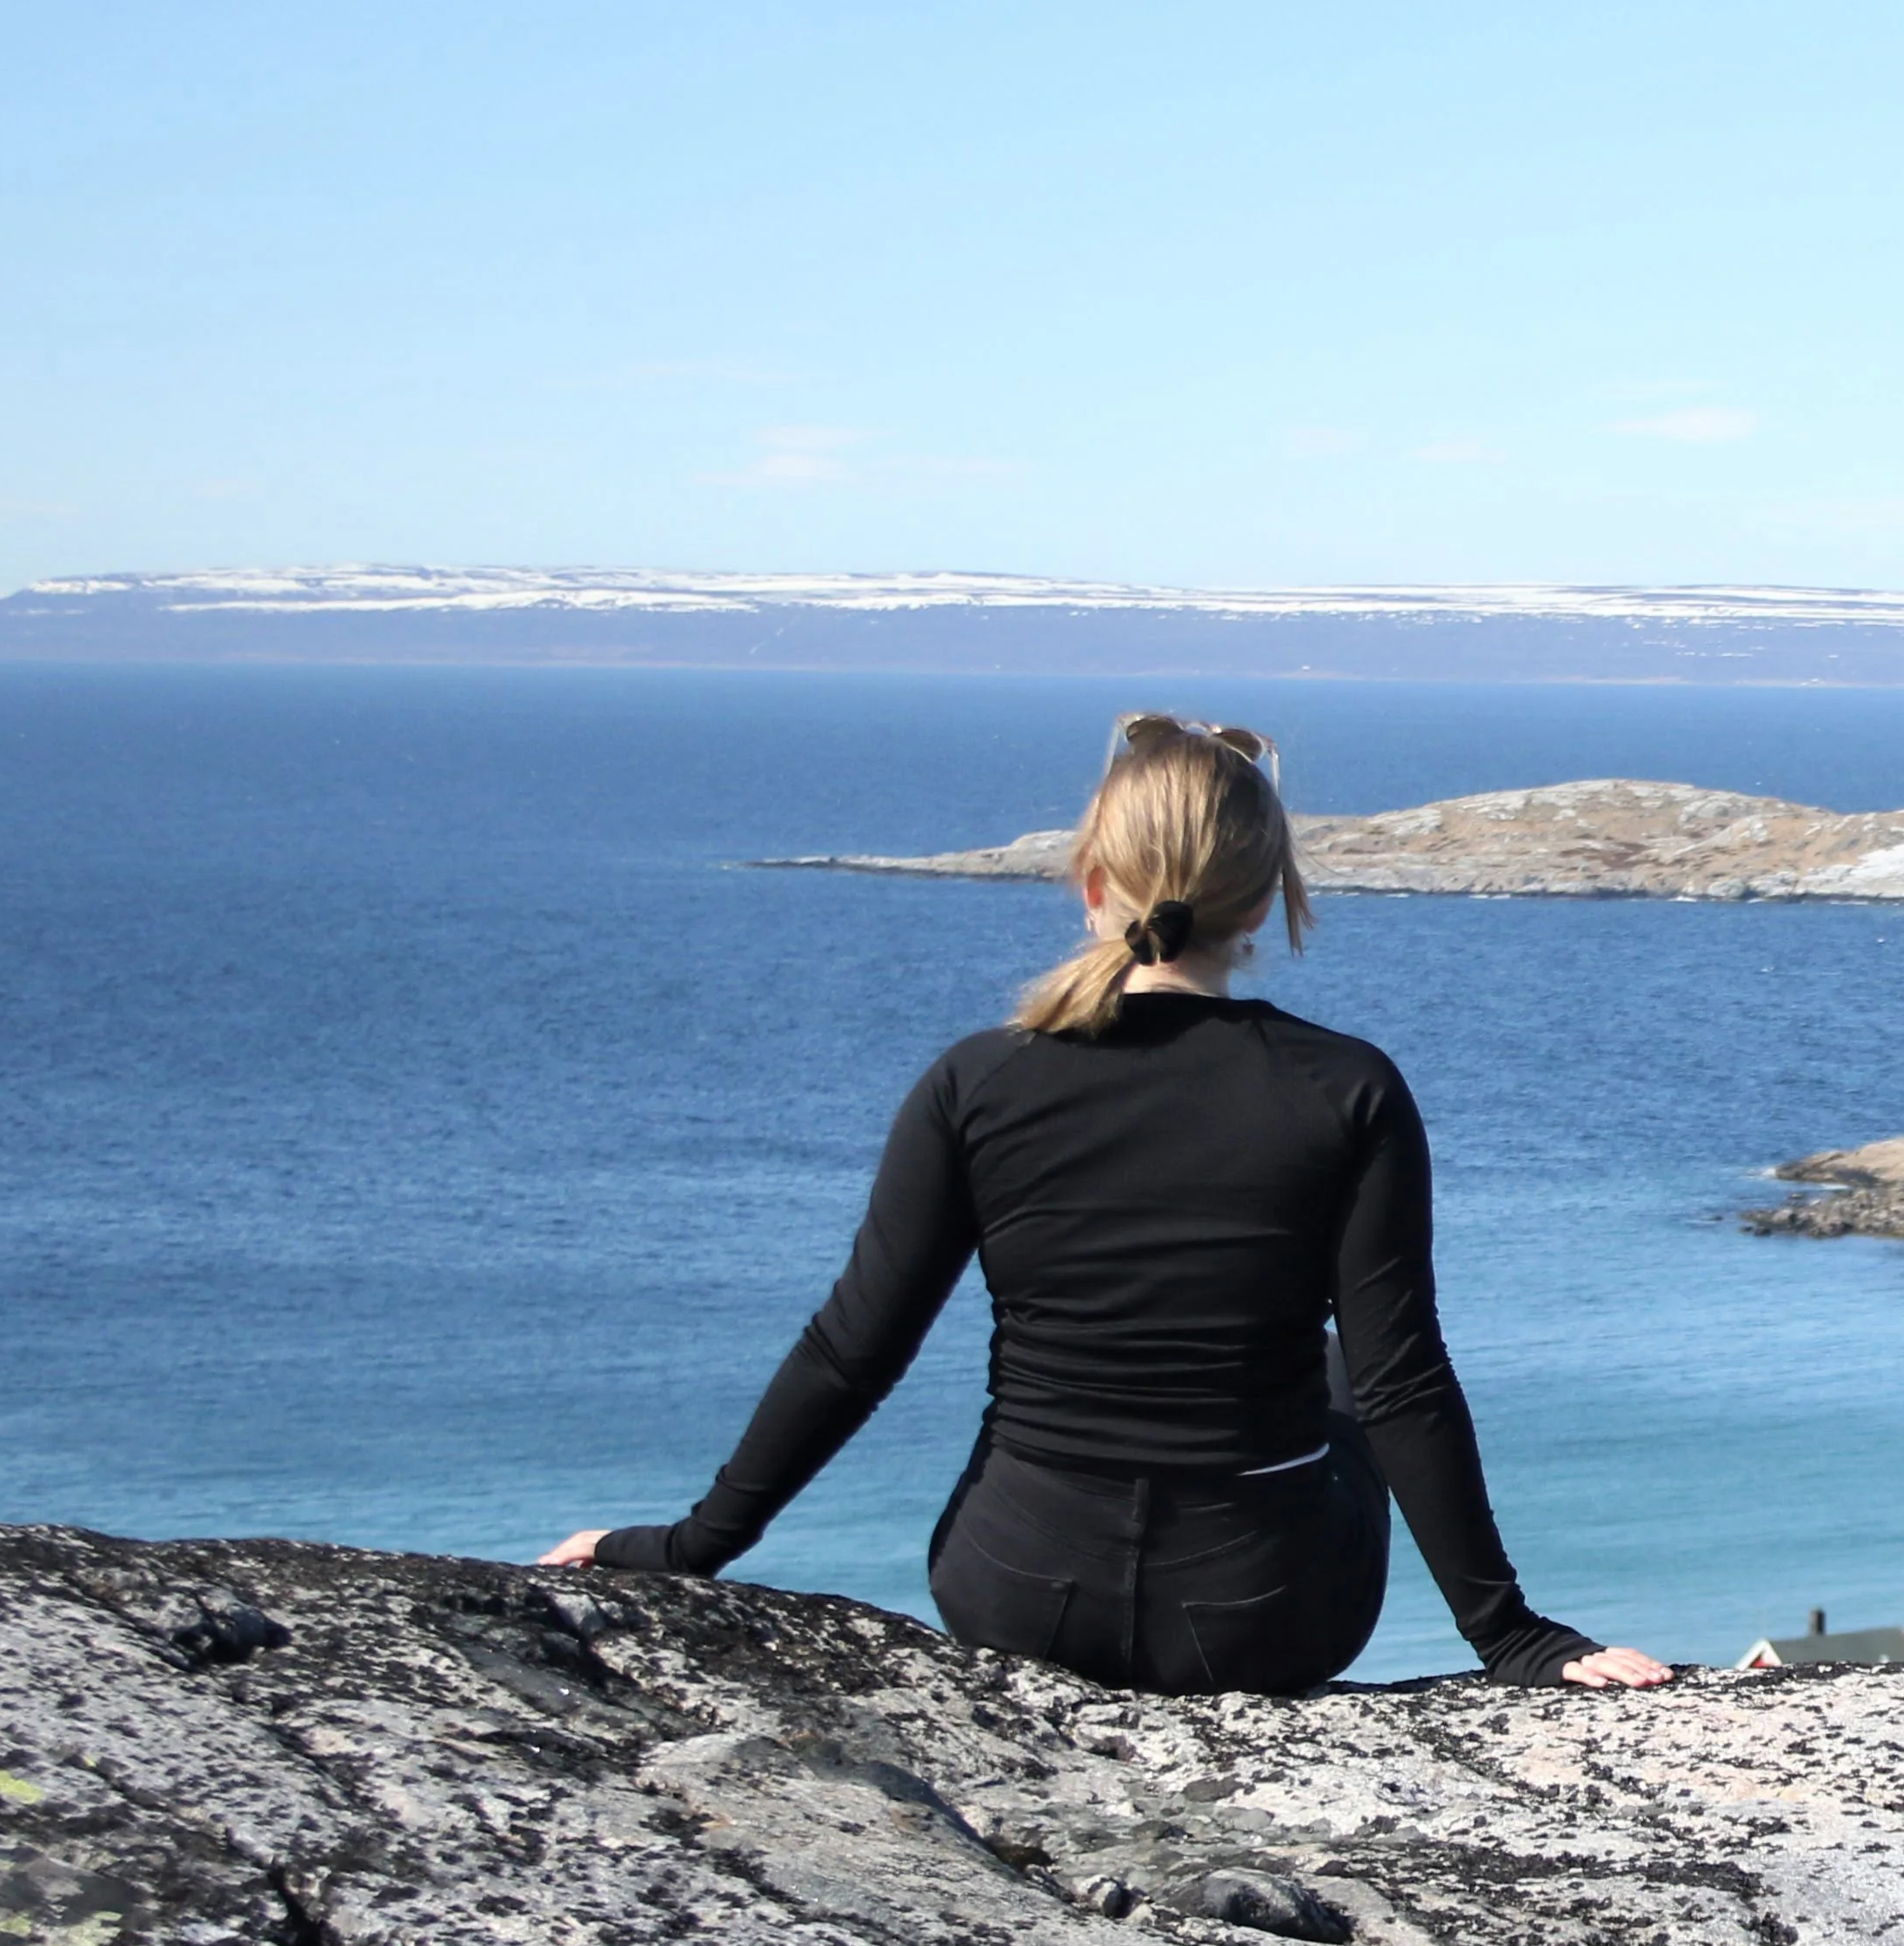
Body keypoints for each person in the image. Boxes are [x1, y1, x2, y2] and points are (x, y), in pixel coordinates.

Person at [544, 713, 1670, 1695]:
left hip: (1015, 1597)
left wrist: (689, 1548)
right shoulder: (1348, 1089)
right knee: (1337, 1370)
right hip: (1265, 1617)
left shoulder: (977, 1082)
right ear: (1265, 901)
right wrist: (1509, 1634)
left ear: (1093, 885)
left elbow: (855, 1348)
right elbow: (1400, 1380)